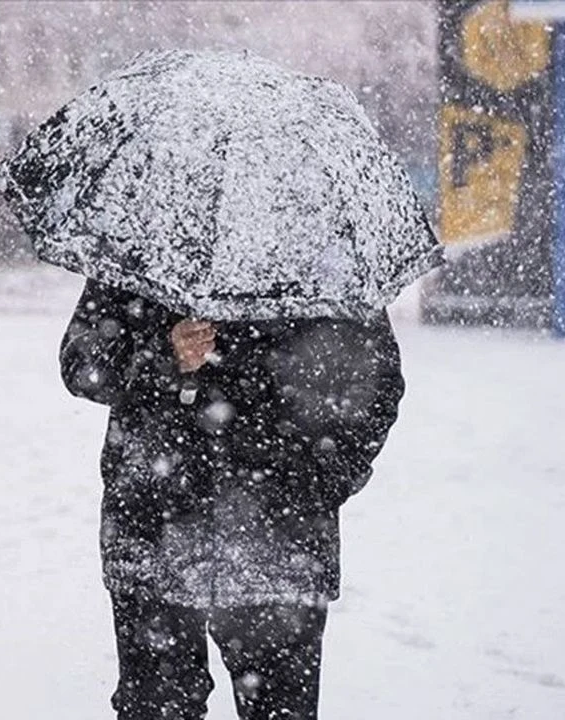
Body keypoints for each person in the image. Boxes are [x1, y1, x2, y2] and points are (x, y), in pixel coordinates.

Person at [60, 281, 404, 720]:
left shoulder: (319, 255)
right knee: (155, 710)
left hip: (280, 545)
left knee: (280, 712)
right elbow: (81, 362)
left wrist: (318, 482)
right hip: (154, 531)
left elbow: (376, 384)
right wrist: (162, 355)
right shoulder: (146, 241)